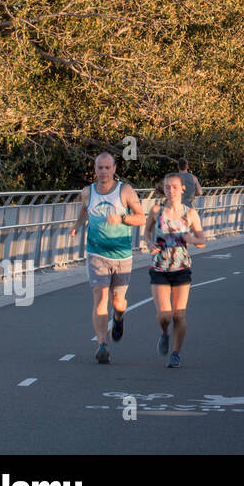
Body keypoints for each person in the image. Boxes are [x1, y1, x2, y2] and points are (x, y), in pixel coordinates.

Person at [70, 152, 145, 364]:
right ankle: (102, 343)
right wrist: (77, 226)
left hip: (121, 254)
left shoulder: (125, 191)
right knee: (100, 297)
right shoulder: (88, 192)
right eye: (99, 168)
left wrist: (121, 218)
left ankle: (119, 317)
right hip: (96, 252)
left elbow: (141, 218)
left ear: (114, 169)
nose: (103, 171)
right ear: (95, 169)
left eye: (107, 168)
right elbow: (85, 210)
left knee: (118, 302)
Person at [145, 172, 206, 368]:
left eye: (174, 187)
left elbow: (202, 241)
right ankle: (164, 333)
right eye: (167, 187)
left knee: (179, 314)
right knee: (165, 315)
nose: (170, 190)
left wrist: (192, 240)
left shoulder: (190, 214)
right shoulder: (156, 211)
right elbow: (147, 232)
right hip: (159, 266)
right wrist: (148, 243)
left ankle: (176, 353)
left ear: (182, 189)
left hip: (181, 267)